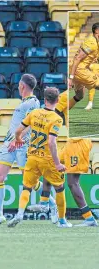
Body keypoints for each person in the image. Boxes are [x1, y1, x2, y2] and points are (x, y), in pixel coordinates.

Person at [0, 74, 57, 224]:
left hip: (22, 145)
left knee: (30, 181)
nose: (17, 87)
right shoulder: (25, 102)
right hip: (10, 143)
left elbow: (30, 124)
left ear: (22, 86)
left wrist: (18, 139)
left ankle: (52, 204)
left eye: (19, 85)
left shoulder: (33, 102)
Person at [28, 89, 98, 227]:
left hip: (78, 142)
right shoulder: (78, 94)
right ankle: (44, 202)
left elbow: (53, 113)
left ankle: (89, 218)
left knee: (72, 183)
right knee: (50, 163)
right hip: (72, 142)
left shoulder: (69, 95)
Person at [7, 87, 71, 228]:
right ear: (58, 100)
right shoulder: (57, 119)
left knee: (27, 187)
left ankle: (20, 214)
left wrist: (18, 139)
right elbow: (51, 142)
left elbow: (19, 130)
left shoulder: (35, 113)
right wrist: (58, 164)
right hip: (47, 159)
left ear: (44, 99)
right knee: (60, 188)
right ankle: (62, 221)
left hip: (32, 157)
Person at [69, 22, 99, 110]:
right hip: (79, 70)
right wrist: (71, 77)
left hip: (79, 69)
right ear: (95, 32)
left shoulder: (95, 41)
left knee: (79, 95)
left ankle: (60, 110)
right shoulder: (91, 43)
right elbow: (78, 58)